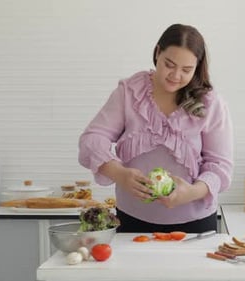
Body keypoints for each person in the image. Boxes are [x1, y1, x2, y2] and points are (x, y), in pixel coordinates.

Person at [78, 23, 233, 233]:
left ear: (197, 68)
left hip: (195, 224)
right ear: (157, 52)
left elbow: (220, 166)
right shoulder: (130, 92)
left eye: (186, 70)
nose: (176, 75)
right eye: (169, 64)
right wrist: (120, 174)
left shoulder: (210, 103)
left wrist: (192, 191)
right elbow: (92, 139)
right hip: (132, 219)